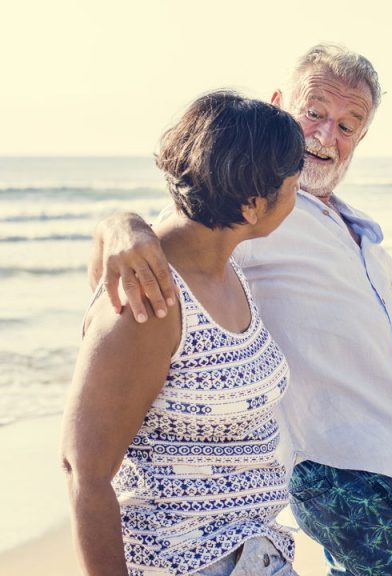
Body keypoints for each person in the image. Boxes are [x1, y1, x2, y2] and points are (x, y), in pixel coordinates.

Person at [90, 44, 392, 576]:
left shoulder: (352, 229)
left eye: (349, 125)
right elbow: (173, 232)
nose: (327, 136)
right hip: (349, 467)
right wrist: (120, 225)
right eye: (314, 113)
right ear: (279, 105)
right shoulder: (257, 209)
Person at [61, 91, 305, 575]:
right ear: (254, 205)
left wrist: (121, 223)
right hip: (188, 562)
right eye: (295, 184)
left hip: (254, 552)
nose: (299, 195)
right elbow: (83, 472)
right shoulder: (152, 300)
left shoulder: (223, 267)